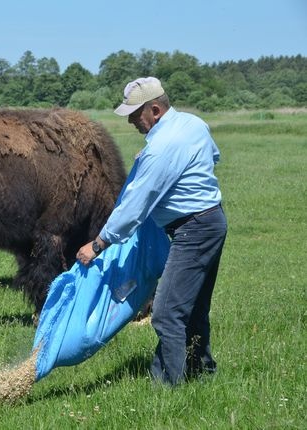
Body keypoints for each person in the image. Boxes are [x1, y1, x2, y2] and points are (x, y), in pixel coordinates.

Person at [76, 77, 228, 385]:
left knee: (166, 311)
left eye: (135, 113)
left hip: (193, 230)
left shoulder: (160, 147)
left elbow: (134, 207)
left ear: (155, 110)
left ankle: (168, 386)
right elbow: (213, 156)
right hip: (213, 221)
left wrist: (98, 244)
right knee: (194, 306)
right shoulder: (193, 124)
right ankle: (202, 373)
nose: (131, 120)